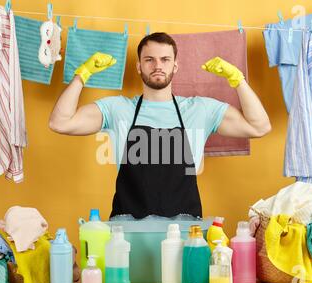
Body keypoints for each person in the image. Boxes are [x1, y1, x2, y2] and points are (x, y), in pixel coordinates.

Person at [49, 32, 271, 220]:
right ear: (138, 66)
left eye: (165, 59)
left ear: (175, 65)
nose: (157, 66)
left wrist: (237, 80)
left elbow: (259, 126)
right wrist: (81, 75)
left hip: (185, 232)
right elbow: (60, 122)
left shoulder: (199, 110)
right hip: (128, 233)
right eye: (149, 60)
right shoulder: (118, 109)